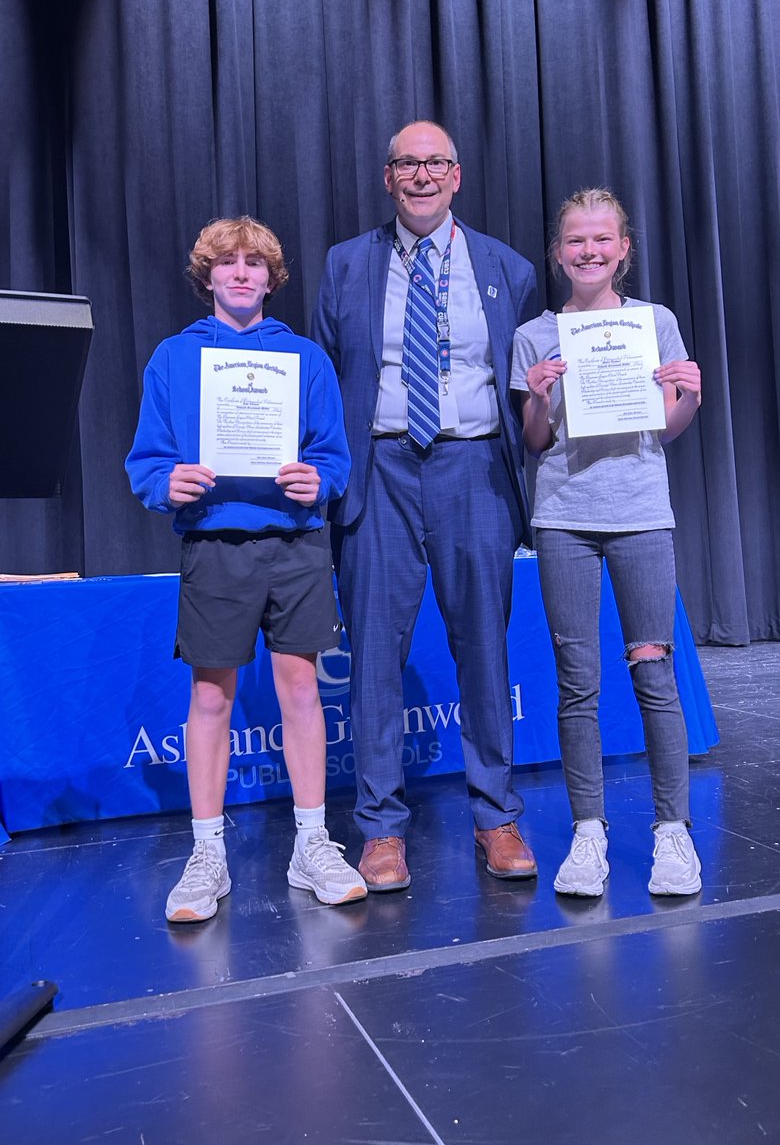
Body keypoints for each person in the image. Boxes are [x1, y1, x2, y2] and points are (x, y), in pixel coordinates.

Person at [311, 120, 539, 891]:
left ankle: (496, 814)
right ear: (387, 178)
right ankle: (379, 830)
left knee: (483, 645)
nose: (419, 175)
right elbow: (325, 381)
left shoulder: (506, 268)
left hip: (473, 471)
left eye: (434, 162)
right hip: (379, 473)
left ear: (457, 175)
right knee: (374, 654)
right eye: (405, 163)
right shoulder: (346, 265)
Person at [126, 216, 365, 921]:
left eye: (253, 264)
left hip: (294, 544)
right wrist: (164, 483)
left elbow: (334, 457)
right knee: (209, 699)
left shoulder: (304, 360)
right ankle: (207, 855)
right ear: (207, 276)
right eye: (226, 263)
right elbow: (147, 459)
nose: (240, 273)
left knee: (299, 689)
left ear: (270, 277)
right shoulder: (175, 357)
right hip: (214, 544)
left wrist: (314, 481)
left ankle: (312, 842)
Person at [511, 188, 703, 897]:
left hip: (641, 515)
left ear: (622, 248)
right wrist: (535, 395)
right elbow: (536, 443)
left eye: (601, 240)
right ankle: (586, 833)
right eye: (574, 241)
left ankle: (671, 833)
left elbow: (664, 426)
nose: (588, 251)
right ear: (557, 252)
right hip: (562, 518)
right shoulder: (535, 334)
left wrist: (689, 395)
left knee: (653, 673)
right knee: (576, 682)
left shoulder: (653, 322)